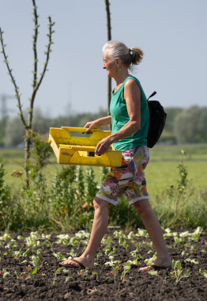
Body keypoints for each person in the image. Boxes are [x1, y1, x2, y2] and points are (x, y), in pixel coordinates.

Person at [59, 41, 171, 272]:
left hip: (130, 154)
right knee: (141, 206)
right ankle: (164, 258)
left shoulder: (130, 84)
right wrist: (100, 122)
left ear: (117, 62)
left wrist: (109, 139)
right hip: (131, 153)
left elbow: (135, 121)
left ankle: (88, 257)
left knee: (100, 202)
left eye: (105, 61)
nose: (103, 66)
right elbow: (122, 116)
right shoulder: (119, 87)